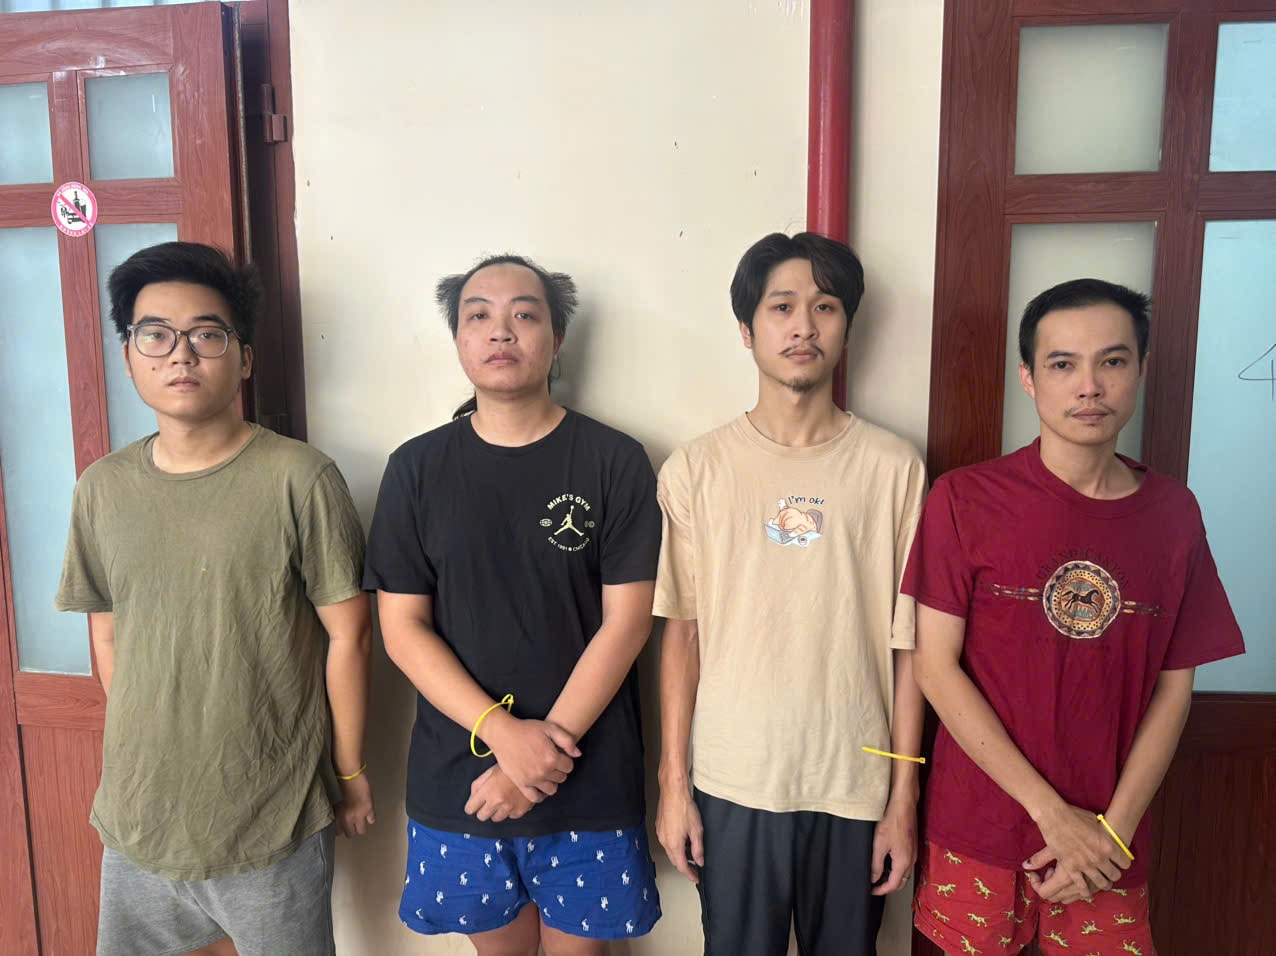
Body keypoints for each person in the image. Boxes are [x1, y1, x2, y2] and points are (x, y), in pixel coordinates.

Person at [905, 278, 1246, 956]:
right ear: (1029, 378)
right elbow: (934, 667)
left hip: (1110, 842)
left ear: (1141, 369)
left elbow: (1174, 690)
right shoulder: (964, 499)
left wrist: (1109, 833)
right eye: (1063, 364)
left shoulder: (1174, 515)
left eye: (1112, 361)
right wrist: (1052, 816)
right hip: (981, 826)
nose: (1089, 386)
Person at [55, 242, 373, 956]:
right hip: (138, 816)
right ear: (128, 356)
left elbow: (350, 637)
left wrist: (351, 772)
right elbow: (106, 632)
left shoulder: (300, 478)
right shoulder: (101, 487)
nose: (181, 354)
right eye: (155, 335)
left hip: (272, 812)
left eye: (206, 334)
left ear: (244, 358)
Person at [364, 254, 662, 956]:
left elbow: (627, 623)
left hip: (589, 778)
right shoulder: (416, 469)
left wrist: (537, 760)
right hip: (461, 780)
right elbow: (403, 629)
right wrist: (503, 736)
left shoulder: (614, 460)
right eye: (479, 316)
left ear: (556, 340)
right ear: (459, 340)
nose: (502, 331)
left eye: (524, 314)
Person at [654, 232, 928, 956]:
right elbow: (682, 633)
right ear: (747, 330)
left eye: (825, 307)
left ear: (847, 327)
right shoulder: (697, 469)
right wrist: (674, 785)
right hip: (733, 780)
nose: (804, 325)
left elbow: (910, 648)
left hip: (855, 781)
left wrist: (903, 800)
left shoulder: (894, 468)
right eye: (782, 307)